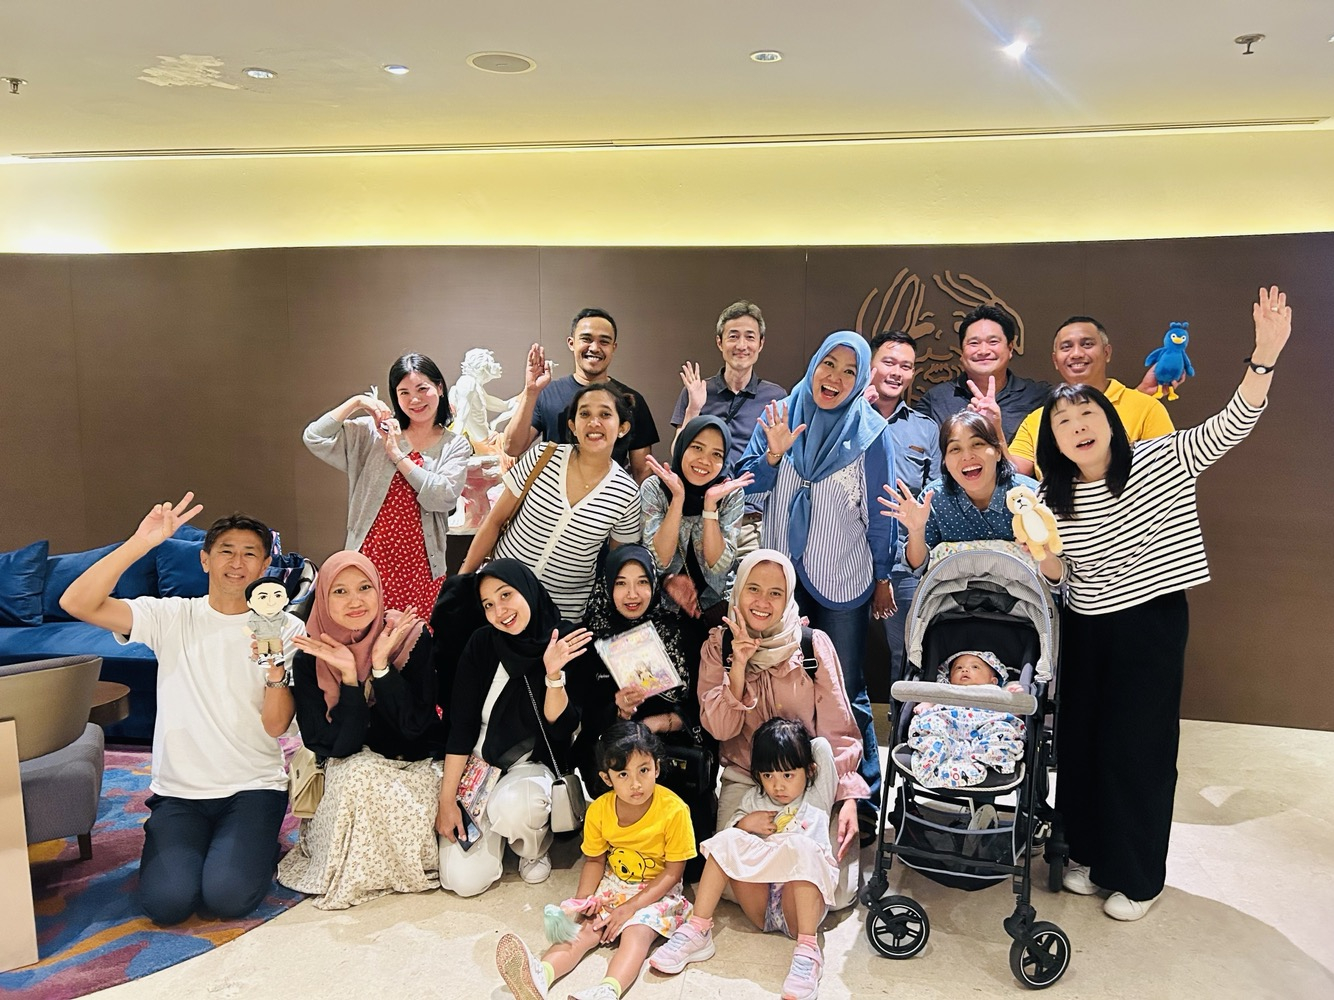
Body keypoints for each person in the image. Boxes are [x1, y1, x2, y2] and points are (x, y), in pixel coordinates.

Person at [1030, 287, 1291, 922]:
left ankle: (1138, 876)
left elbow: (1234, 423)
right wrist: (1045, 558)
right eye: (1063, 423)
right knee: (1082, 746)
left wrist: (1264, 356)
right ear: (1053, 442)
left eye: (1087, 414)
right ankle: (1088, 853)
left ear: (1110, 421)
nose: (1077, 427)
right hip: (1085, 629)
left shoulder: (1161, 457)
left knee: (1138, 749)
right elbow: (1064, 575)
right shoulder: (1052, 498)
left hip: (1148, 624)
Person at [58, 495, 300, 925]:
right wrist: (140, 543)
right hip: (180, 791)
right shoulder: (171, 616)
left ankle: (256, 842)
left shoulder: (286, 628)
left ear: (265, 566)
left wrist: (274, 669)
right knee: (167, 904)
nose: (237, 563)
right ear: (205, 560)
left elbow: (277, 725)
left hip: (254, 787)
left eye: (250, 554)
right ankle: (203, 844)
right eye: (226, 551)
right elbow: (77, 602)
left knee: (227, 898)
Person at [737, 331, 894, 836]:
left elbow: (881, 515)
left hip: (843, 574)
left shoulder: (871, 432)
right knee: (778, 682)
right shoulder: (780, 414)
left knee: (845, 687)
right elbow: (745, 489)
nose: (835, 378)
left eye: (850, 371)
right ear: (814, 363)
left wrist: (884, 574)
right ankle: (784, 786)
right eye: (830, 363)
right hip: (779, 579)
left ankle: (859, 797)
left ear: (861, 380)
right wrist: (773, 457)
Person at [697, 550, 866, 907]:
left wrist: (846, 798)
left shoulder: (810, 644)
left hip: (808, 778)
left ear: (788, 596)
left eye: (775, 593)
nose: (762, 602)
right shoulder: (718, 647)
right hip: (748, 777)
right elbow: (721, 730)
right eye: (753, 589)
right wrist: (738, 666)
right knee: (726, 885)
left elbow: (838, 730)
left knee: (837, 894)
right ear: (738, 591)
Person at [276, 552, 443, 909]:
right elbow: (330, 745)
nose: (356, 601)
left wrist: (381, 667)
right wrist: (350, 679)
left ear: (379, 590)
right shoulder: (311, 655)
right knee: (358, 773)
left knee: (363, 776)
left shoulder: (408, 637)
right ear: (323, 597)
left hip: (414, 764)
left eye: (365, 587)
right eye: (340, 591)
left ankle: (391, 868)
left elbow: (416, 728)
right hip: (350, 767)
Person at [494, 721, 695, 1000]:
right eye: (623, 774)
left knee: (636, 933)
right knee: (585, 927)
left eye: (644, 770)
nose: (636, 783)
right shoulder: (600, 810)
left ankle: (607, 990)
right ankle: (540, 975)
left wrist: (629, 909)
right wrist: (583, 899)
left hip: (657, 890)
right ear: (606, 778)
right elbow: (594, 861)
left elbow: (673, 873)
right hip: (615, 883)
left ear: (657, 768)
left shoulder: (674, 811)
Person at [650, 719, 846, 1000]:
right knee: (727, 838)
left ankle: (807, 952)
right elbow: (727, 850)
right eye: (768, 775)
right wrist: (744, 824)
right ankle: (698, 929)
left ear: (810, 770)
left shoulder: (816, 794)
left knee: (802, 847)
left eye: (788, 775)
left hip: (800, 909)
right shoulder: (754, 799)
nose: (777, 785)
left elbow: (822, 747)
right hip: (760, 906)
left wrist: (790, 743)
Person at [435, 560, 593, 897]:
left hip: (527, 764)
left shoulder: (562, 640)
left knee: (519, 805)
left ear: (527, 588)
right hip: (477, 765)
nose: (499, 611)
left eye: (506, 595)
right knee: (463, 882)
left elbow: (562, 728)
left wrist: (552, 675)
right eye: (488, 604)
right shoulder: (482, 642)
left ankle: (531, 847)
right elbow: (460, 727)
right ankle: (495, 831)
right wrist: (447, 802)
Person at [574, 545, 717, 879]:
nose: (632, 594)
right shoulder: (593, 638)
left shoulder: (680, 630)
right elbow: (586, 717)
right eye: (621, 583)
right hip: (622, 753)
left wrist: (662, 722)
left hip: (675, 748)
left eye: (642, 582)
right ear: (608, 585)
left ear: (654, 584)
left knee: (692, 865)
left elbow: (705, 701)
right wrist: (620, 712)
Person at [303, 353, 470, 612]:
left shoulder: (454, 445)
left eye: (422, 389)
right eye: (404, 392)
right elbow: (314, 437)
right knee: (365, 627)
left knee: (413, 632)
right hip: (369, 556)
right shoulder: (372, 432)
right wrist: (357, 402)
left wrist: (397, 455)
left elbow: (442, 497)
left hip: (421, 564)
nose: (414, 399)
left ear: (439, 388)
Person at [461, 382, 643, 620]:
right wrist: (462, 580)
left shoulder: (627, 493)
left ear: (622, 428)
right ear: (573, 425)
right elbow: (494, 522)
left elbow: (618, 564)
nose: (594, 422)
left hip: (563, 615)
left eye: (605, 414)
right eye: (585, 414)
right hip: (500, 598)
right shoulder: (543, 456)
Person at [672, 300, 788, 556]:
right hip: (699, 516)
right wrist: (694, 408)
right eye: (733, 336)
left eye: (750, 337)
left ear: (761, 344)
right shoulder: (698, 390)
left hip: (751, 521)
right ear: (719, 342)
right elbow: (677, 453)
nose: (741, 345)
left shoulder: (776, 397)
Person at [502, 308, 659, 482]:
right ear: (571, 343)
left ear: (613, 347)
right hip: (552, 495)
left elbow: (643, 471)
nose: (595, 348)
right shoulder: (547, 393)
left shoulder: (631, 400)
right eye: (586, 339)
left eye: (604, 341)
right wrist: (531, 392)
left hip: (609, 496)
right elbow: (512, 448)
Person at [865, 330, 941, 684]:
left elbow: (935, 495)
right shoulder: (843, 418)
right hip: (846, 555)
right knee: (837, 647)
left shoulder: (925, 429)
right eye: (889, 362)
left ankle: (904, 718)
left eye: (906, 366)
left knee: (909, 652)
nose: (897, 372)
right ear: (870, 365)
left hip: (902, 561)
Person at [1008, 316, 1174, 477]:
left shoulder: (1146, 408)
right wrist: (995, 427)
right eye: (1066, 347)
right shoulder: (1037, 420)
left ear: (1106, 352)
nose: (1076, 354)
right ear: (1055, 361)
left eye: (1087, 344)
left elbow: (1166, 470)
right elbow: (1012, 474)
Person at [879, 410, 1040, 571]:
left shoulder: (1032, 495)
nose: (967, 456)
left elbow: (1052, 568)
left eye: (977, 444)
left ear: (998, 452)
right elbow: (918, 567)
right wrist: (916, 530)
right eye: (955, 449)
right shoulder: (934, 499)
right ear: (945, 461)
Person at [641, 416, 752, 628]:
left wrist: (710, 506)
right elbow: (658, 560)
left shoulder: (729, 493)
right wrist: (678, 499)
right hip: (663, 605)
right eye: (697, 448)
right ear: (683, 446)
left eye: (716, 454)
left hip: (718, 606)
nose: (705, 460)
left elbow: (719, 566)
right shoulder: (655, 488)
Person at [914, 304, 1051, 441]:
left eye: (993, 342)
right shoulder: (935, 399)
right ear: (961, 352)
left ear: (1010, 348)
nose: (983, 351)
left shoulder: (1039, 396)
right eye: (974, 343)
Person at [907, 651, 1026, 789]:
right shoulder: (947, 690)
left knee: (1002, 731)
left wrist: (1014, 700)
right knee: (931, 723)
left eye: (975, 667)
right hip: (948, 729)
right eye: (958, 668)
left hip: (985, 729)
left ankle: (984, 758)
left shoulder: (996, 691)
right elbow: (932, 702)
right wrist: (927, 703)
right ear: (950, 678)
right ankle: (936, 756)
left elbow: (1013, 715)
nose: (965, 670)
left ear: (993, 681)